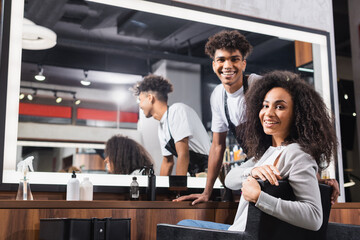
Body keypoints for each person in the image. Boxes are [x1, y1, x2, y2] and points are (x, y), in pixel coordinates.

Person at [175, 30, 339, 205]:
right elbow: (217, 146)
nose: (228, 65)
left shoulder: (259, 86)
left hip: (281, 158)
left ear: (243, 63)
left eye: (234, 59)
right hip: (260, 163)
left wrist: (314, 177)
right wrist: (206, 193)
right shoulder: (217, 96)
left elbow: (297, 128)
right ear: (214, 64)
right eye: (221, 60)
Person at [178, 70, 338, 231]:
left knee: (182, 226)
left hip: (241, 235)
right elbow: (229, 180)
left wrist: (259, 197)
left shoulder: (296, 153)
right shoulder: (269, 152)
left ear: (298, 114)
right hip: (239, 231)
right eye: (265, 105)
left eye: (280, 107)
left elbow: (314, 217)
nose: (268, 113)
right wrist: (252, 172)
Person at [133, 74, 211, 176]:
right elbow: (168, 162)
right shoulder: (162, 126)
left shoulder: (176, 110)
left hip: (208, 170)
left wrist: (178, 188)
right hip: (194, 173)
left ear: (150, 98)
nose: (139, 105)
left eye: (140, 100)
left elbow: (183, 154)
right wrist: (160, 190)